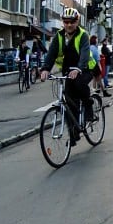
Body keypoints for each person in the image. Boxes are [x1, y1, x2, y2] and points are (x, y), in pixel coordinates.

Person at [39, 8, 97, 139]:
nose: (69, 25)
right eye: (66, 22)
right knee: (70, 101)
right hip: (68, 71)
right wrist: (45, 69)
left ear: (77, 21)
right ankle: (74, 133)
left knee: (79, 84)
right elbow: (51, 54)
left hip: (86, 68)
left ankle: (88, 106)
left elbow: (84, 54)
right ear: (63, 22)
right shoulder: (58, 36)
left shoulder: (83, 35)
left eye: (72, 22)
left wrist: (78, 69)